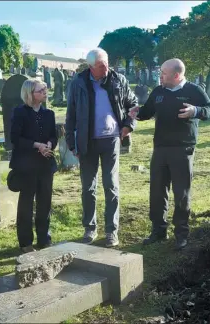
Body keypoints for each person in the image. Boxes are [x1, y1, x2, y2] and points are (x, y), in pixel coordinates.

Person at [128, 58, 210, 250]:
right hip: (160, 147)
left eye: (163, 74)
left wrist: (196, 110)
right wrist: (137, 112)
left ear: (176, 75)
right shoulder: (159, 91)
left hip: (182, 148)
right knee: (157, 190)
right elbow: (148, 111)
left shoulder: (193, 90)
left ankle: (181, 234)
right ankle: (158, 230)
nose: (160, 77)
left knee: (181, 192)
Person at [65, 48, 137, 247]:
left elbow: (133, 104)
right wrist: (71, 143)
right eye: (100, 66)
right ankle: (90, 228)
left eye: (106, 63)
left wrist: (129, 125)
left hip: (111, 140)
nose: (105, 68)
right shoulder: (78, 83)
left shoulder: (118, 80)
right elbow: (70, 115)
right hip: (86, 142)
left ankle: (111, 231)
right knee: (88, 188)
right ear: (90, 67)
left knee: (111, 186)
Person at [10, 79, 57, 253]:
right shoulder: (20, 112)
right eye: (41, 90)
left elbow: (53, 136)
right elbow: (15, 138)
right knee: (26, 204)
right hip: (26, 165)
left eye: (45, 89)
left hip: (45, 164)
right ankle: (26, 242)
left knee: (45, 203)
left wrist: (50, 145)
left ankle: (44, 239)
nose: (45, 92)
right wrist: (37, 145)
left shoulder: (49, 114)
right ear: (30, 94)